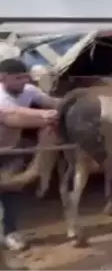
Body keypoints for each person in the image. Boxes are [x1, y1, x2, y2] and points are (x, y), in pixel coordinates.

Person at [0, 58, 59, 255]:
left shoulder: (29, 91)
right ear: (3, 78)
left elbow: (52, 101)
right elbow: (12, 114)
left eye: (25, 77)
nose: (23, 81)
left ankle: (10, 233)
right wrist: (44, 116)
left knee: (12, 192)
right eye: (17, 78)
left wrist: (71, 102)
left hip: (11, 150)